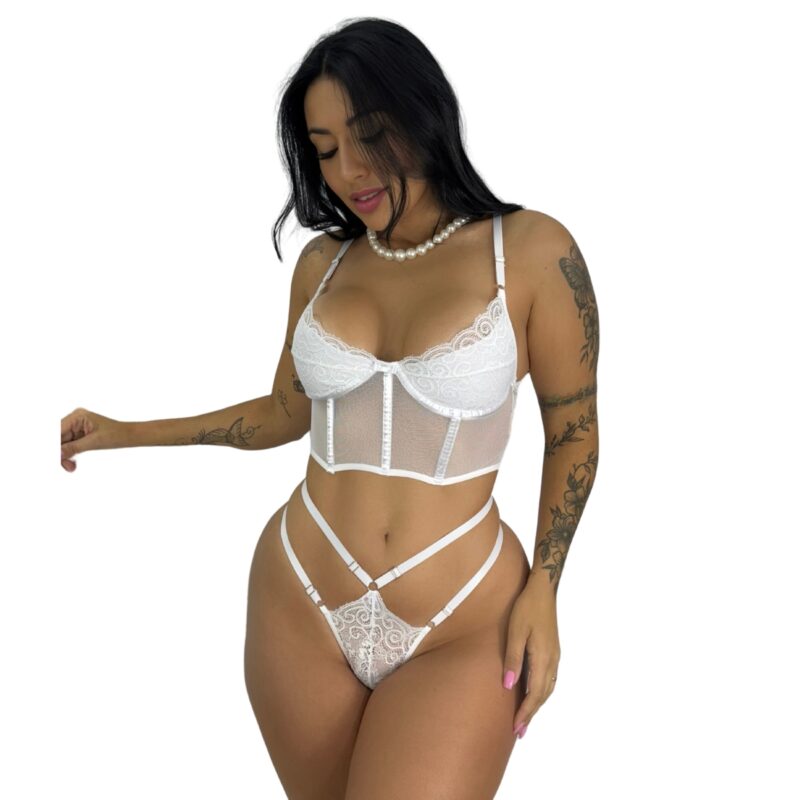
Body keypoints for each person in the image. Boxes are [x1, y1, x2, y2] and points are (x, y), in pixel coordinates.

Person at [60, 16, 600, 799]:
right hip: (300, 600)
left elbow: (573, 435)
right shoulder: (324, 263)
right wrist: (126, 431)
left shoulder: (532, 251)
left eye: (369, 135)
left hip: (464, 616)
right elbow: (285, 413)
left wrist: (546, 588)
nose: (348, 171)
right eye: (323, 150)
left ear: (424, 114)